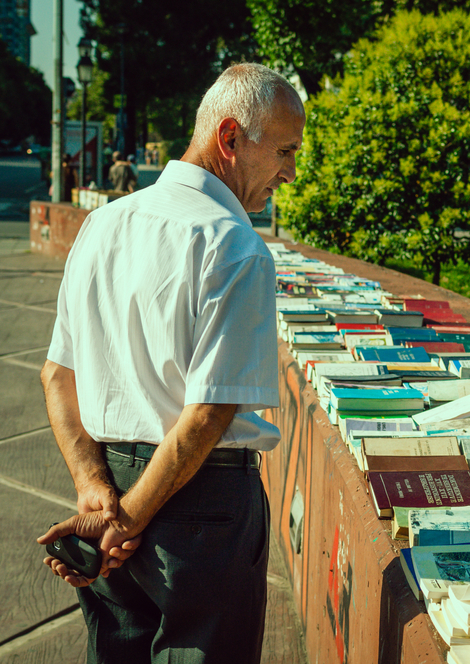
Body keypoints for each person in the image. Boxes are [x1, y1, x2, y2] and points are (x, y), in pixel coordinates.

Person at [37, 63, 305, 664]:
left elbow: (58, 374)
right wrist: (125, 519)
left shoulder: (103, 223)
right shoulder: (235, 246)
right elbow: (206, 415)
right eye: (285, 150)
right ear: (230, 139)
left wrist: (97, 494)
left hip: (109, 483)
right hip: (203, 503)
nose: (290, 172)